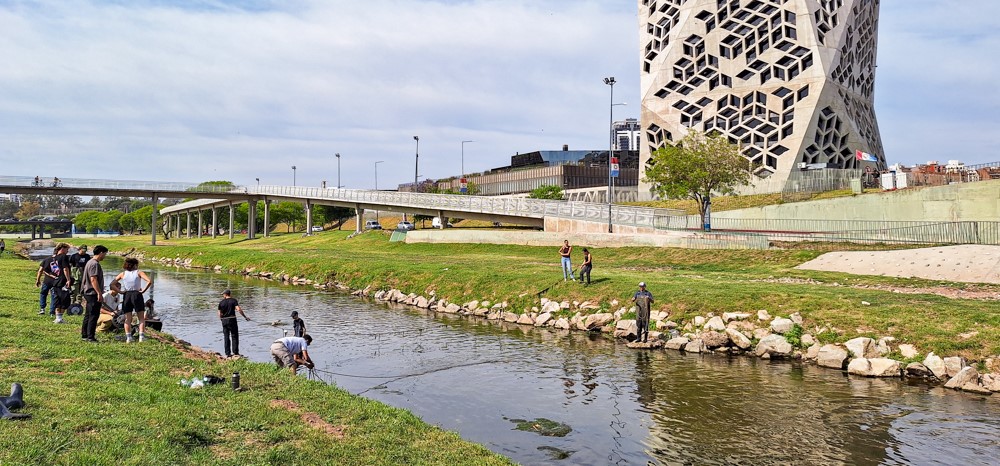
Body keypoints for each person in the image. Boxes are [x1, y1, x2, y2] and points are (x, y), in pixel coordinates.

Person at [111, 258, 153, 343]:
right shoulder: (139, 272)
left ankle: (128, 337)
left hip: (127, 295)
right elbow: (149, 281)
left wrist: (120, 291)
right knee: (141, 318)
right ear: (135, 265)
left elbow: (112, 284)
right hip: (137, 294)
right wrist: (143, 291)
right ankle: (141, 337)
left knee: (127, 318)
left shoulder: (123, 274)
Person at [80, 245, 109, 342]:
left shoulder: (89, 262)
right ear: (101, 252)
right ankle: (90, 337)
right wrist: (99, 293)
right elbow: (93, 279)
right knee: (93, 315)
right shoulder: (94, 264)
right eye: (104, 254)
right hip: (92, 293)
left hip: (88, 292)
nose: (105, 256)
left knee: (88, 314)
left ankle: (85, 334)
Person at [218, 289, 250, 359]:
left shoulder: (221, 302)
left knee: (226, 337)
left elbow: (219, 313)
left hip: (224, 321)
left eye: (223, 294)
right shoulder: (233, 300)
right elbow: (238, 309)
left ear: (225, 294)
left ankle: (228, 353)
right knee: (234, 336)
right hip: (232, 320)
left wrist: (222, 320)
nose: (223, 296)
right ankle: (235, 352)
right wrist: (245, 317)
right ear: (229, 294)